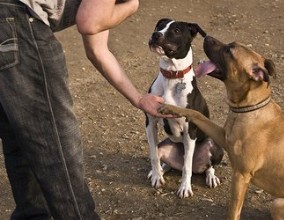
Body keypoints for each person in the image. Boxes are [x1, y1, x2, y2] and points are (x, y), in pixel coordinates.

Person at [0, 0, 168, 219]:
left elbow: (97, 49)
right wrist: (131, 6)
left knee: (22, 139)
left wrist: (138, 98)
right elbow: (89, 22)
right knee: (56, 147)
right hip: (18, 22)